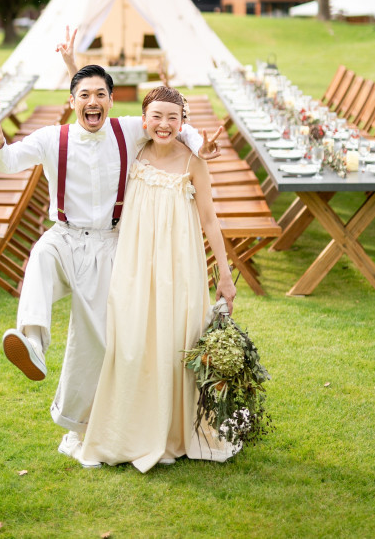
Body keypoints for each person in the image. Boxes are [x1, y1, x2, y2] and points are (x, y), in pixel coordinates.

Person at [0, 54, 222, 465]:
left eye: (101, 94)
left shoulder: (127, 130)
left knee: (96, 342)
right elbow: (8, 162)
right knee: (38, 257)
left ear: (111, 101)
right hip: (64, 236)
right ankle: (33, 343)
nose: (93, 100)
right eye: (85, 94)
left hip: (109, 245)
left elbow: (176, 124)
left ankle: (87, 423)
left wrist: (199, 144)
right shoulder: (50, 139)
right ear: (72, 100)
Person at [79, 85, 238, 472]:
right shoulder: (132, 153)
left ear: (184, 122)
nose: (164, 124)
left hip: (178, 265)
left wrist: (226, 273)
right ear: (145, 119)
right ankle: (126, 430)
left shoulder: (192, 161)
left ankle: (174, 430)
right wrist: (74, 71)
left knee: (175, 339)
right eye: (157, 116)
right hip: (134, 263)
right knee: (131, 340)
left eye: (173, 117)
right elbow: (91, 114)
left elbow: (209, 219)